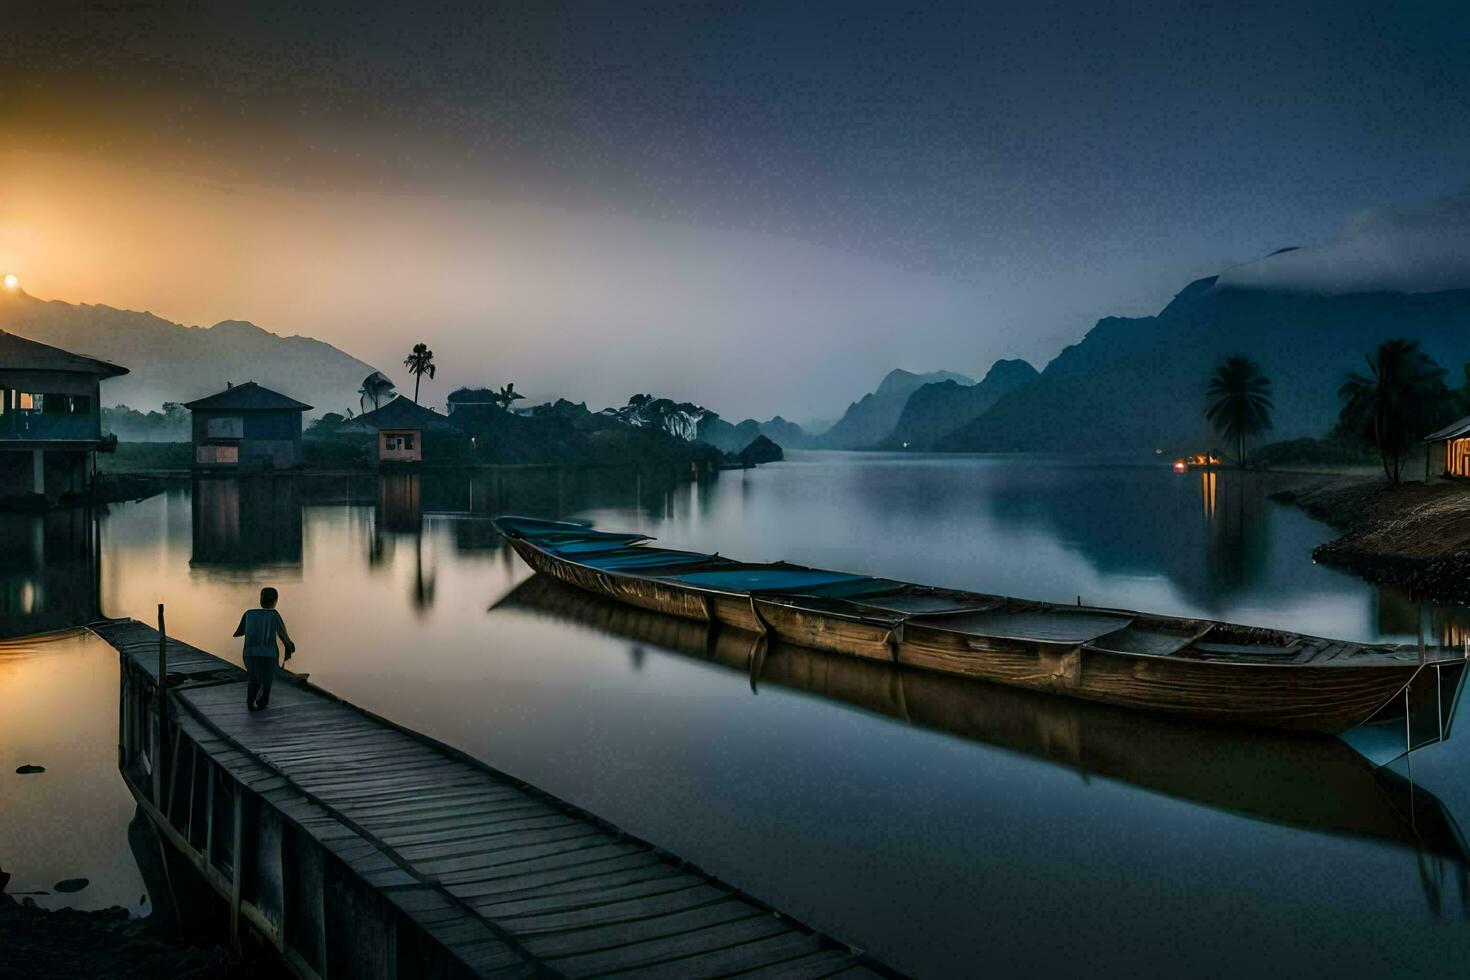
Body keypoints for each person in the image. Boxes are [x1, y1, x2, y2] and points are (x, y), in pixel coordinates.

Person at [234, 586, 296, 711]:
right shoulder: (274, 615)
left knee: (254, 677)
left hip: (250, 652)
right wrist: (290, 646)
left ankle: (250, 703)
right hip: (269, 653)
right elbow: (282, 633)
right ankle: (263, 702)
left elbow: (240, 632)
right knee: (267, 678)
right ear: (275, 601)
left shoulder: (249, 613)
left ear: (260, 600)